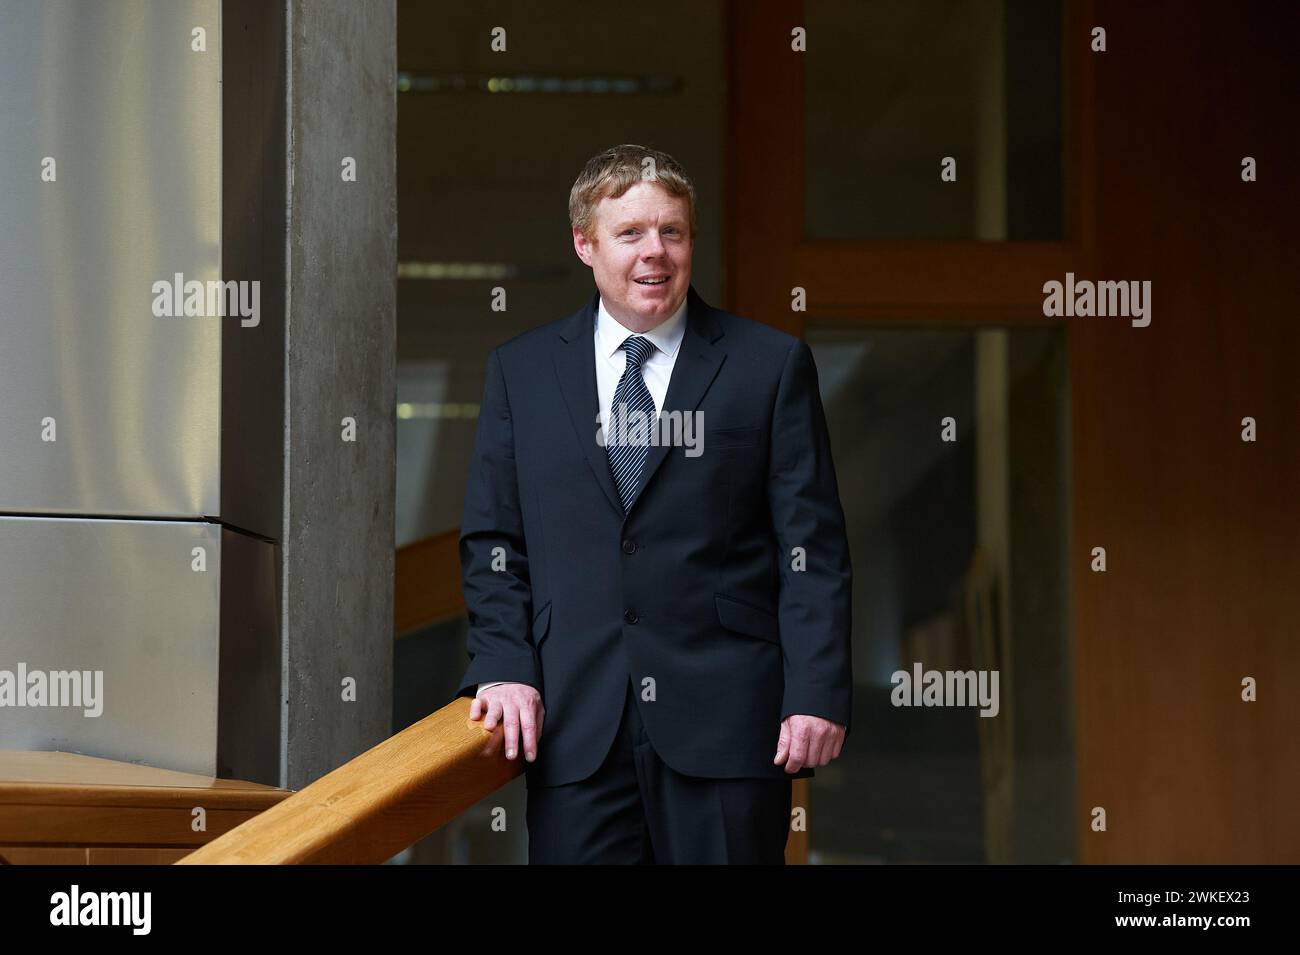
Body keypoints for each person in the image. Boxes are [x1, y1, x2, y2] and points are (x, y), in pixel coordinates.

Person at [456, 144, 852, 863]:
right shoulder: (521, 372)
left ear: (692, 241)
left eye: (672, 231)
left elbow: (814, 548)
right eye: (631, 233)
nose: (655, 253)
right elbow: (494, 538)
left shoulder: (769, 366)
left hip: (731, 725)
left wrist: (818, 689)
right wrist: (503, 662)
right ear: (585, 243)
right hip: (577, 725)